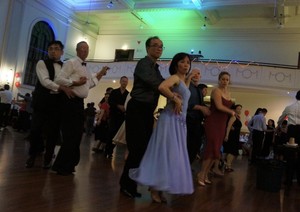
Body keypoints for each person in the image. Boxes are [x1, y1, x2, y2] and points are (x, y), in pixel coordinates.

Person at [129, 52, 195, 202]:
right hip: (170, 120)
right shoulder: (175, 78)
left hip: (179, 122)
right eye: (183, 62)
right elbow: (162, 87)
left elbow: (182, 93)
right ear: (176, 64)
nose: (186, 65)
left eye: (188, 63)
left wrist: (188, 81)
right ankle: (154, 188)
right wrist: (174, 99)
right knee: (164, 154)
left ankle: (159, 187)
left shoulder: (183, 81)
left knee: (171, 156)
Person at [52, 41, 109, 176]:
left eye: (87, 49)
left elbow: (89, 84)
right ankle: (62, 166)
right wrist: (75, 82)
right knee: (70, 134)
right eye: (82, 48)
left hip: (78, 103)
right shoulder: (71, 62)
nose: (85, 51)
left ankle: (68, 164)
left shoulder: (86, 68)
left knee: (77, 134)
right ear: (77, 50)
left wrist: (101, 73)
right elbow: (59, 79)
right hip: (69, 101)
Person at [119, 36, 164, 198]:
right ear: (147, 48)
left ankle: (129, 184)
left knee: (141, 149)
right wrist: (173, 90)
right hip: (137, 108)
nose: (159, 48)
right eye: (155, 46)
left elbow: (160, 83)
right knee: (137, 149)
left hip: (146, 111)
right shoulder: (144, 64)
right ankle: (126, 185)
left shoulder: (155, 67)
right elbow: (156, 84)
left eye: (161, 46)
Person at [25, 40, 72, 168]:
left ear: (62, 52)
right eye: (50, 48)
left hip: (57, 104)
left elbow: (69, 82)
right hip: (42, 102)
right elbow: (45, 82)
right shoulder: (41, 63)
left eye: (56, 48)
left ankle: (48, 159)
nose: (53, 50)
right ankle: (32, 155)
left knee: (53, 133)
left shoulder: (66, 66)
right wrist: (61, 87)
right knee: (35, 130)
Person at [197, 71, 235, 186]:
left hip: (222, 123)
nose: (224, 81)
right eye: (223, 79)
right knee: (211, 147)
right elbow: (219, 106)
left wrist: (231, 114)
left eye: (227, 79)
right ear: (219, 80)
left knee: (216, 150)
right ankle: (201, 174)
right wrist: (232, 112)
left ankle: (206, 173)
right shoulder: (216, 91)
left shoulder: (228, 93)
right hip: (213, 122)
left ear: (229, 81)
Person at [186, 68, 210, 165]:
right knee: (187, 146)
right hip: (187, 121)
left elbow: (202, 105)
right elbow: (184, 103)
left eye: (198, 73)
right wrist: (200, 108)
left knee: (195, 146)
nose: (196, 75)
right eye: (194, 73)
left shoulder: (198, 90)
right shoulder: (187, 87)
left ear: (200, 76)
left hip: (197, 123)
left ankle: (187, 167)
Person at [105, 76, 129, 159]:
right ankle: (108, 151)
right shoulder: (114, 92)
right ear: (120, 82)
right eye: (123, 81)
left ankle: (113, 151)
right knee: (111, 133)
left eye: (126, 81)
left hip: (122, 117)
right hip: (114, 115)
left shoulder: (127, 94)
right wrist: (118, 106)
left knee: (118, 135)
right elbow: (110, 102)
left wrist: (124, 109)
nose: (124, 83)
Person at [223, 104, 243, 172]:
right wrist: (227, 136)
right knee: (231, 151)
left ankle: (228, 165)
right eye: (238, 109)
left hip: (235, 136)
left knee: (233, 151)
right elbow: (228, 126)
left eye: (240, 109)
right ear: (234, 109)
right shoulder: (233, 117)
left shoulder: (237, 117)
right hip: (232, 136)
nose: (239, 110)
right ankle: (228, 166)